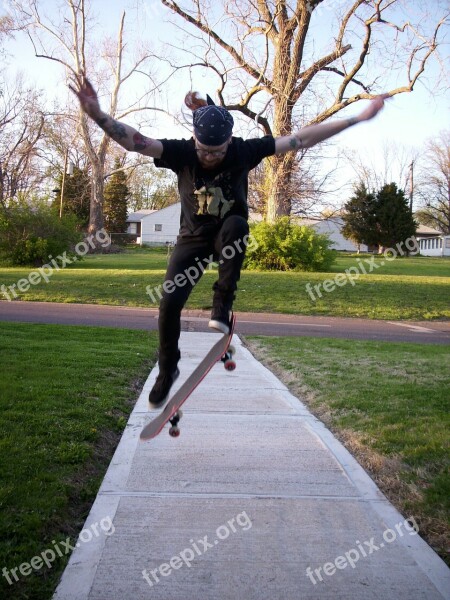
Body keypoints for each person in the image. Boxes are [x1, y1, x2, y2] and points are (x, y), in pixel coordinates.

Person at [70, 73, 388, 407]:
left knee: (237, 223)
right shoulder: (181, 152)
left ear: (230, 140)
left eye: (217, 151)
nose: (209, 157)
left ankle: (222, 302)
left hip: (227, 238)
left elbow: (301, 139)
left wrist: (356, 118)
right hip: (191, 240)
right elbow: (135, 140)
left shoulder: (245, 151)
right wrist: (96, 113)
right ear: (194, 140)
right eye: (204, 151)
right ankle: (168, 369)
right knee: (167, 306)